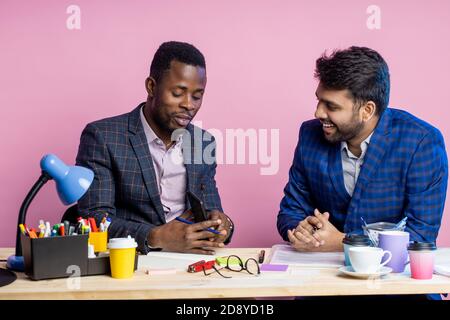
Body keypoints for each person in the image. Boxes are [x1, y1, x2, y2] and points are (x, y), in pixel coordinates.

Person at [277, 46, 448, 252]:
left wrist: (342, 241)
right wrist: (303, 230)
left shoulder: (421, 144)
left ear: (367, 110)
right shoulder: (309, 135)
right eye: (318, 100)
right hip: (319, 273)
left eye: (331, 106)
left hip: (389, 276)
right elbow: (290, 211)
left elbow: (421, 236)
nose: (318, 112)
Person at [76, 41, 233, 254]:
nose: (189, 104)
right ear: (151, 87)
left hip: (190, 262)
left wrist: (224, 225)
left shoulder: (203, 142)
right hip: (131, 260)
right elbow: (94, 221)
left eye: (197, 96)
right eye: (178, 93)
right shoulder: (103, 137)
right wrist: (156, 237)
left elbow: (214, 212)